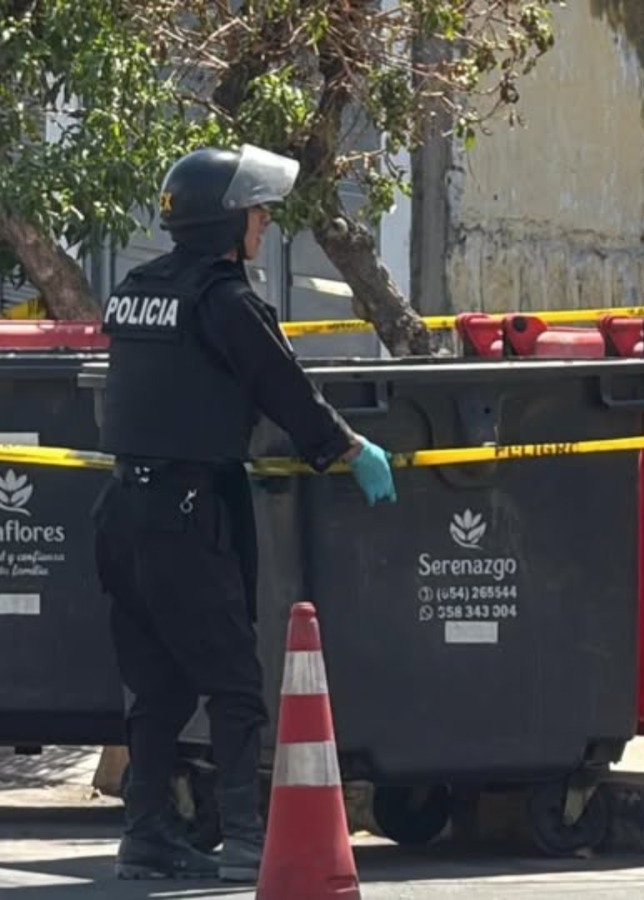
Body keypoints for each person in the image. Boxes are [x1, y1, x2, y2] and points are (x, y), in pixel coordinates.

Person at [91, 143, 398, 881]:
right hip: (187, 512)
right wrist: (348, 447)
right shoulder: (225, 301)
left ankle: (146, 834)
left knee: (157, 685)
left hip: (122, 510)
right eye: (257, 213)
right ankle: (244, 840)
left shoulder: (137, 287)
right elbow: (283, 386)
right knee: (233, 684)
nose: (265, 223)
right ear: (225, 222)